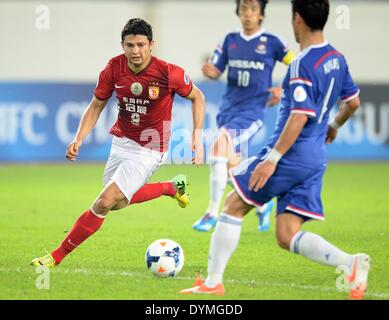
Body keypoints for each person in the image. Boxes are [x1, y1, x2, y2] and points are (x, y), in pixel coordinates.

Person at [181, 0, 371, 300]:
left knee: (233, 205)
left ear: (297, 19)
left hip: (291, 156)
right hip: (316, 159)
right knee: (286, 234)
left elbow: (298, 117)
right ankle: (350, 262)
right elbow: (353, 102)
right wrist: (334, 125)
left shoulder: (302, 63)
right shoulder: (337, 58)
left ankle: (213, 282)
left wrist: (271, 160)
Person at [31, 18, 205, 267]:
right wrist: (78, 138)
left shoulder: (168, 73)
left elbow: (198, 97)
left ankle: (54, 257)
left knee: (103, 202)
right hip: (122, 142)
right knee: (118, 203)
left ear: (152, 44)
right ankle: (171, 187)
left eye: (141, 45)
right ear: (122, 45)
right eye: (130, 45)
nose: (136, 51)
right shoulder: (114, 68)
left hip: (151, 147)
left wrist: (197, 135)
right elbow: (96, 105)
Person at [192, 0, 295, 232]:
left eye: (253, 9)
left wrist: (283, 89)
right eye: (244, 9)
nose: (248, 14)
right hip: (228, 111)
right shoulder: (230, 40)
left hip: (253, 112)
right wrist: (211, 72)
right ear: (238, 12)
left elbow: (297, 64)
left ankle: (211, 213)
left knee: (218, 148)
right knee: (231, 170)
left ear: (261, 14)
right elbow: (216, 69)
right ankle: (261, 207)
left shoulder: (273, 42)